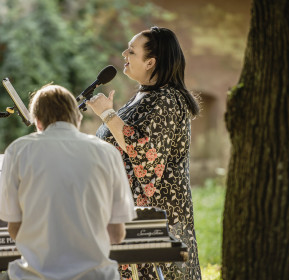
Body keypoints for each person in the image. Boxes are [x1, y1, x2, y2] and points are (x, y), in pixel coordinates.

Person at [87, 26, 202, 279]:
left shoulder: (168, 99)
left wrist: (108, 114)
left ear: (150, 62)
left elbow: (145, 156)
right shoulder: (144, 96)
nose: (124, 53)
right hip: (127, 214)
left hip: (159, 218)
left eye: (132, 50)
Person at [0, 84, 137, 280]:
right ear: (77, 119)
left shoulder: (18, 150)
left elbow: (15, 230)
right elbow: (117, 235)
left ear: (38, 122)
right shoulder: (108, 153)